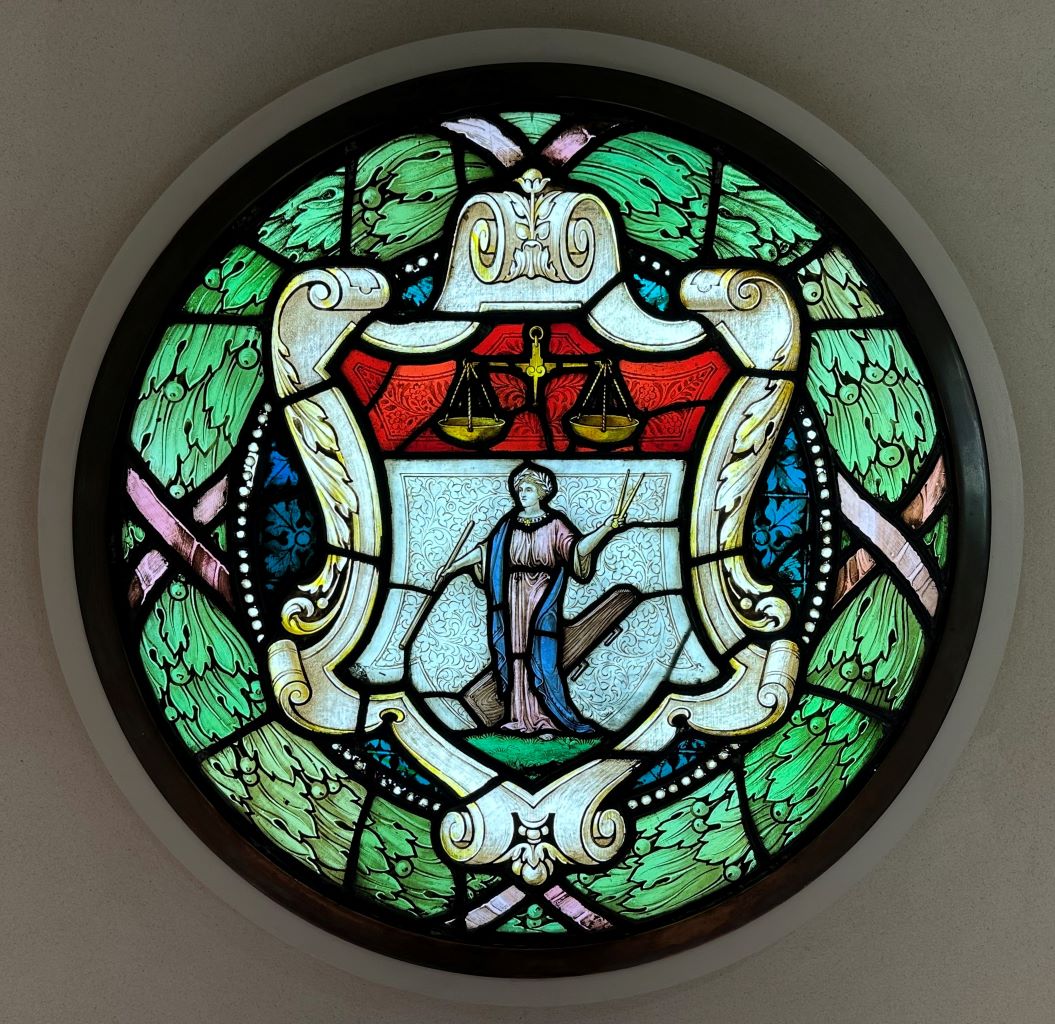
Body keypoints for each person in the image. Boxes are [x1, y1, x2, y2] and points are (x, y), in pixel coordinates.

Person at [440, 463, 626, 736]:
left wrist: (606, 528)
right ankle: (518, 718)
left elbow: (577, 551)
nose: (522, 494)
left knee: (542, 657)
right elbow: (485, 553)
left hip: (542, 596)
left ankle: (547, 718)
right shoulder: (508, 525)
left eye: (528, 489)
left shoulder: (555, 524)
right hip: (512, 599)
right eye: (519, 490)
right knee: (516, 655)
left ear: (542, 492)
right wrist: (453, 566)